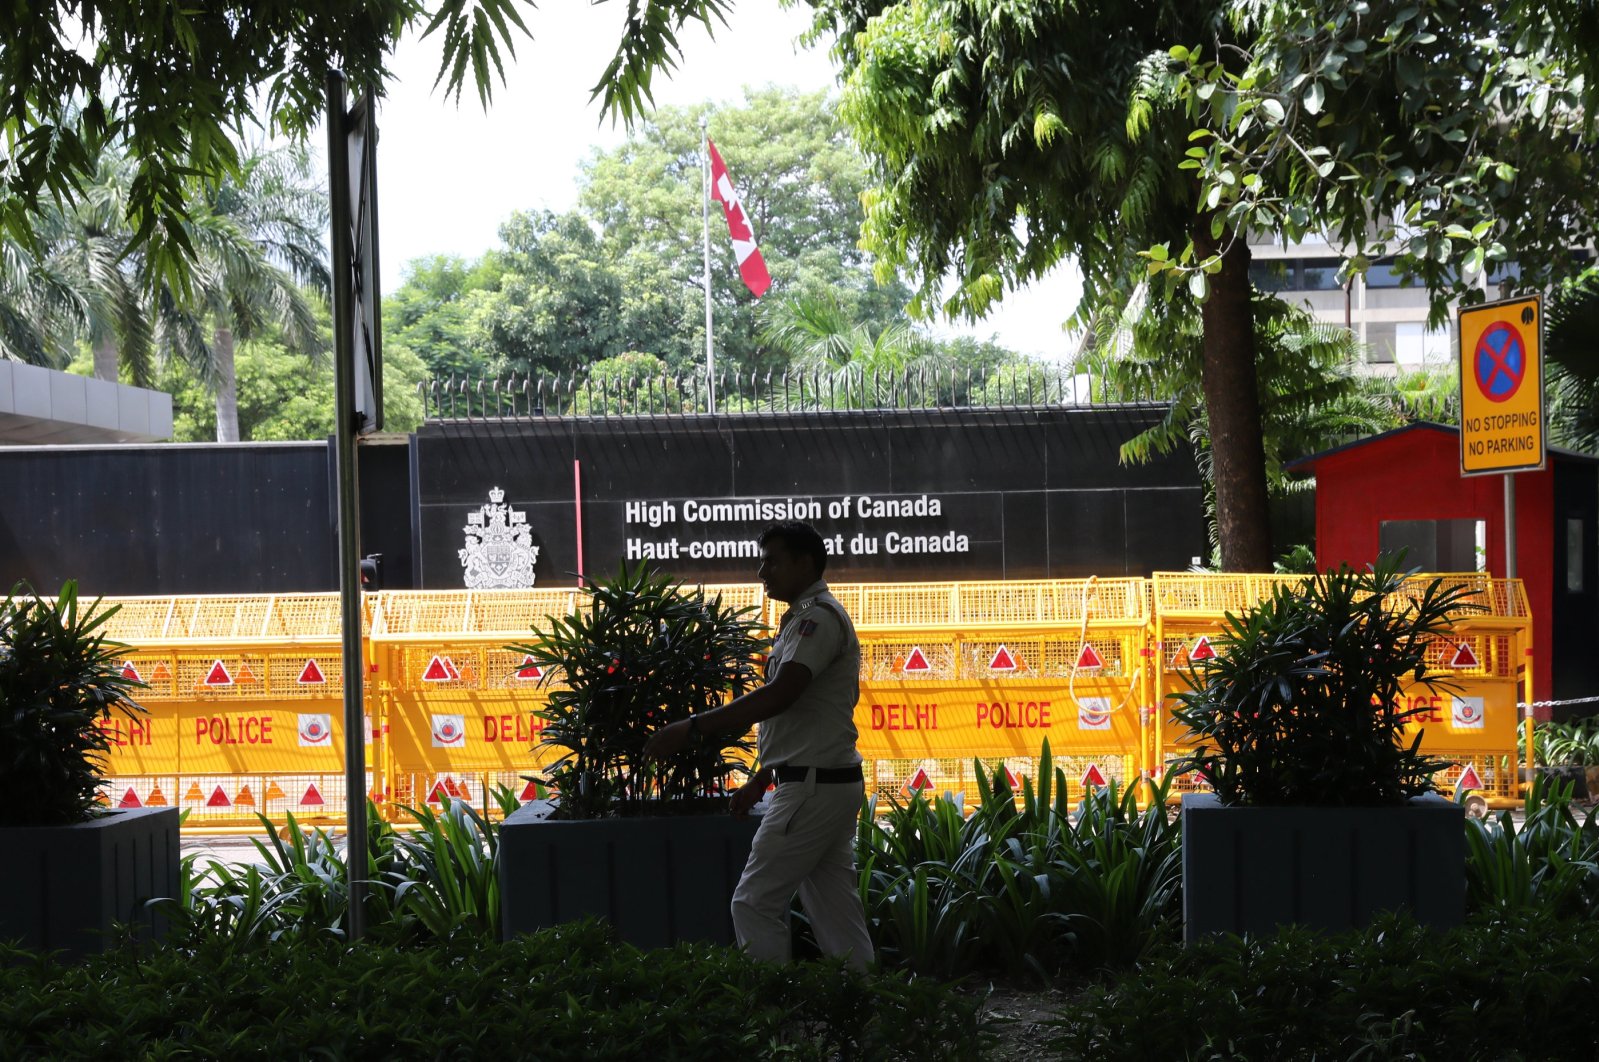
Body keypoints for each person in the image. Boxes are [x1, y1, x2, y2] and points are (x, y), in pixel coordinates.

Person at [642, 521, 874, 970]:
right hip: (824, 784)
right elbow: (806, 718)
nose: (761, 572)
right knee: (837, 918)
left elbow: (782, 694)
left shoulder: (816, 620)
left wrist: (691, 728)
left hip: (811, 791)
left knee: (753, 903)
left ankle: (769, 1019)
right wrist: (763, 777)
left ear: (804, 563)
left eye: (771, 561)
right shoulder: (806, 618)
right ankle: (867, 1016)